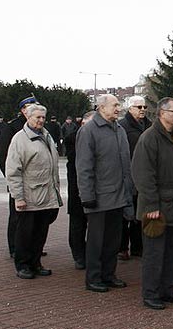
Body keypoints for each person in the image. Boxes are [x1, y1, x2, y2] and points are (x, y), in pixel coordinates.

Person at [132, 97, 173, 310]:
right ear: (162, 113)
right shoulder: (149, 138)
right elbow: (143, 175)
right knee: (154, 253)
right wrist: (151, 206)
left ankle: (169, 289)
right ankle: (151, 293)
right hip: (157, 208)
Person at [76, 94, 134, 293]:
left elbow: (126, 164)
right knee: (96, 242)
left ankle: (109, 275)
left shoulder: (119, 130)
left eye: (119, 105)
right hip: (99, 198)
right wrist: (87, 196)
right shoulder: (89, 131)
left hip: (119, 196)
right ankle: (93, 278)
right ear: (101, 107)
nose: (119, 108)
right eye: (115, 105)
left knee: (113, 241)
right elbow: (84, 167)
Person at [5, 104, 61, 279]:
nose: (41, 120)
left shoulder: (46, 136)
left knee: (40, 232)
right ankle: (23, 265)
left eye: (43, 117)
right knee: (25, 234)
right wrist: (18, 197)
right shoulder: (20, 139)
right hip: (29, 196)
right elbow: (13, 171)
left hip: (46, 194)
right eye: (37, 117)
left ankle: (36, 263)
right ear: (28, 117)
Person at [0, 94, 39, 258]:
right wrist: (11, 178)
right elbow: (3, 155)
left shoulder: (39, 127)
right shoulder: (13, 127)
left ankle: (33, 246)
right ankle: (14, 247)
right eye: (30, 107)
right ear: (22, 110)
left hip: (37, 182)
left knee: (36, 216)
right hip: (19, 180)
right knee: (17, 216)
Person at [118, 96, 152, 261]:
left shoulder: (148, 125)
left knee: (140, 213)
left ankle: (138, 247)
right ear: (130, 108)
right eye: (139, 107)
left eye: (144, 106)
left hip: (144, 175)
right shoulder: (123, 126)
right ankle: (122, 247)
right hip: (128, 174)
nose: (143, 110)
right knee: (126, 214)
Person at [64, 110, 95, 270]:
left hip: (93, 188)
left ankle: (89, 253)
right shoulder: (73, 138)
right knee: (77, 223)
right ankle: (78, 255)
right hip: (77, 188)